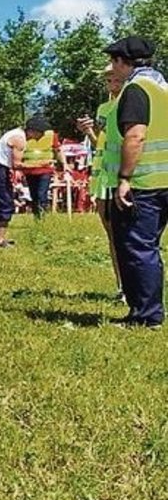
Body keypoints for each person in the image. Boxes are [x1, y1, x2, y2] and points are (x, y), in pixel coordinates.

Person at [103, 36, 168, 326]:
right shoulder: (162, 88)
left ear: (121, 61)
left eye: (112, 62)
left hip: (144, 183)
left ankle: (145, 316)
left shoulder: (135, 90)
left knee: (137, 248)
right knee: (149, 248)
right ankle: (149, 311)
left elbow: (136, 135)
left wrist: (125, 178)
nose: (110, 69)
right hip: (164, 181)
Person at [79, 62, 125, 297]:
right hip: (103, 179)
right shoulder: (104, 108)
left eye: (115, 78)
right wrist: (89, 133)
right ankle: (121, 284)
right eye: (108, 80)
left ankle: (132, 286)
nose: (111, 83)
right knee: (111, 233)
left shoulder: (133, 103)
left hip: (126, 177)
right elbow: (102, 144)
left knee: (126, 235)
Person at [0, 115, 52, 247]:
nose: (41, 136)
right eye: (41, 132)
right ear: (33, 130)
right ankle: (0, 240)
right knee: (6, 204)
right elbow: (17, 164)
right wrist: (41, 164)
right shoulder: (19, 140)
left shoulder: (16, 133)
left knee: (2, 203)